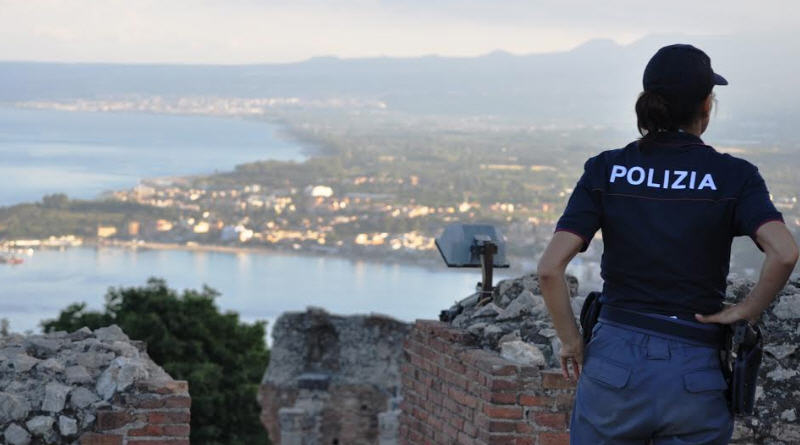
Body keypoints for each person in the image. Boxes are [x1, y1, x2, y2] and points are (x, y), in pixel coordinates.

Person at [537, 44, 799, 444]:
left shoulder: (607, 169)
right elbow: (783, 252)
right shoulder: (734, 176)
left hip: (614, 360)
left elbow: (549, 269)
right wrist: (746, 309)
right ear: (706, 107)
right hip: (695, 368)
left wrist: (573, 342)